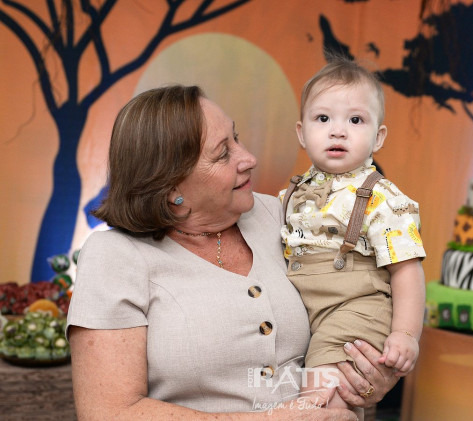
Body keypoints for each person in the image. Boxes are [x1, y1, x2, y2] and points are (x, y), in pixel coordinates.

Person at [66, 85, 399, 420]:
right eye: (223, 153)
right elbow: (107, 412)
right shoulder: (115, 256)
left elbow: (358, 295)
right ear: (170, 187)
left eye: (236, 138)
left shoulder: (286, 215)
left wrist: (371, 370)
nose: (249, 159)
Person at [279, 57, 426, 409]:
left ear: (378, 137)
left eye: (355, 120)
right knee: (325, 396)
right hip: (310, 312)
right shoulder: (291, 195)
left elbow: (407, 270)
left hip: (356, 309)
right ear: (301, 133)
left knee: (322, 397)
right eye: (323, 119)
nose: (338, 131)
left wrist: (406, 333)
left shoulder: (383, 199)